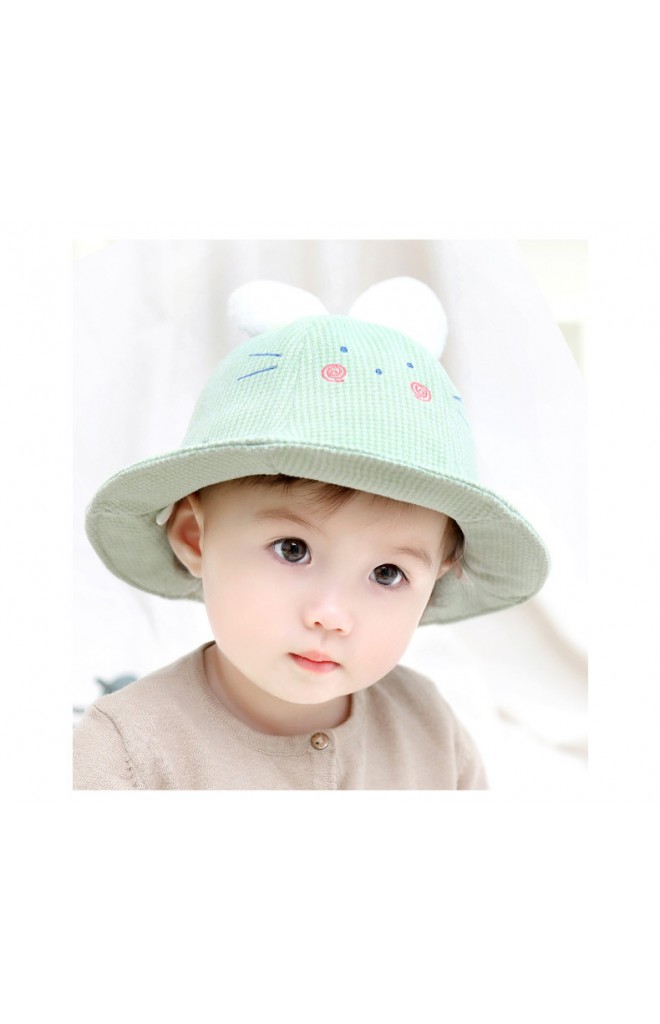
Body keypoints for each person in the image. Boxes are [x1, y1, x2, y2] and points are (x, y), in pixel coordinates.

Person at [73, 277, 549, 790]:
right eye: (293, 549)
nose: (331, 615)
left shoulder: (431, 733)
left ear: (436, 579)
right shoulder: (124, 753)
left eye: (387, 573)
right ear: (194, 538)